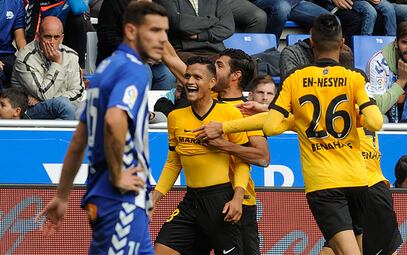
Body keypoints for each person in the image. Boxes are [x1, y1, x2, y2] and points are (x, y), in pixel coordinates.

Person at [195, 14, 383, 255]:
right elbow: (375, 122)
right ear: (342, 42)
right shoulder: (354, 77)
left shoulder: (297, 79)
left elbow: (272, 127)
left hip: (323, 183)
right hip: (358, 180)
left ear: (311, 42)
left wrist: (226, 126)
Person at [36, 2, 169, 254]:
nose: (162, 39)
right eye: (154, 30)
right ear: (130, 30)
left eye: (165, 31)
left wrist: (62, 196)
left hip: (114, 196)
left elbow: (79, 139)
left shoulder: (105, 70)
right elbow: (114, 118)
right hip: (119, 196)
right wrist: (118, 173)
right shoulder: (134, 69)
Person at [162, 45, 270, 254]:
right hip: (200, 202)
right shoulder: (204, 99)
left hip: (238, 203)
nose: (212, 67)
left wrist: (224, 145)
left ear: (235, 76)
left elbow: (263, 158)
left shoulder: (247, 110)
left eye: (219, 65)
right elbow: (171, 58)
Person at [11, 16, 85, 120]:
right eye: (47, 37)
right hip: (29, 112)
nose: (52, 42)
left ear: (62, 38)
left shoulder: (71, 56)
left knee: (68, 109)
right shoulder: (25, 58)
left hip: (62, 111)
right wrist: (57, 63)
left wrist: (50, 101)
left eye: (56, 37)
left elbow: (78, 93)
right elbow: (44, 94)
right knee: (64, 106)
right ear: (37, 36)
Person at [97, 0, 176, 90]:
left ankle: (162, 104)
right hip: (117, 55)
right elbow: (107, 38)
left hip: (150, 58)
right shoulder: (113, 3)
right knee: (143, 71)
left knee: (167, 75)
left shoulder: (157, 3)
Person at [155, 0, 235, 62]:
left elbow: (228, 28)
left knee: (239, 68)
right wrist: (213, 20)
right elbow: (180, 25)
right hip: (183, 52)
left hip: (215, 52)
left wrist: (200, 35)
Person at [366, 21, 407, 123]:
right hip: (387, 122)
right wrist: (401, 81)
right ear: (396, 43)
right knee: (380, 119)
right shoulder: (377, 63)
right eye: (405, 42)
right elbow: (376, 108)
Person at [0, 0, 26, 90]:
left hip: (6, 53)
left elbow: (20, 37)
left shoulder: (16, 2)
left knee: (23, 71)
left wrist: (26, 57)